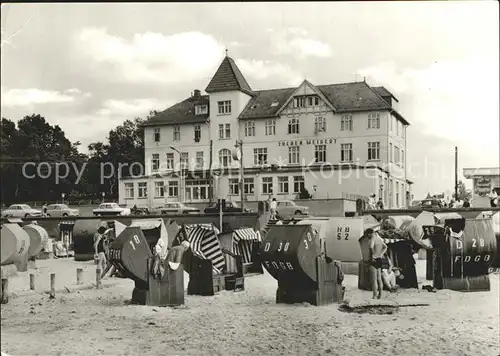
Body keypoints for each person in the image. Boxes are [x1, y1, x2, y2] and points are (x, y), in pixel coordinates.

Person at [367, 228, 387, 299]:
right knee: (379, 279)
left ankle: (374, 295)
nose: (368, 237)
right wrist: (381, 254)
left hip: (374, 260)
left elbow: (371, 247)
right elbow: (385, 247)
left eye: (367, 235)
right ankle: (380, 295)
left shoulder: (373, 237)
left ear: (369, 233)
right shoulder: (380, 238)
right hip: (379, 259)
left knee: (374, 280)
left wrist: (372, 256)